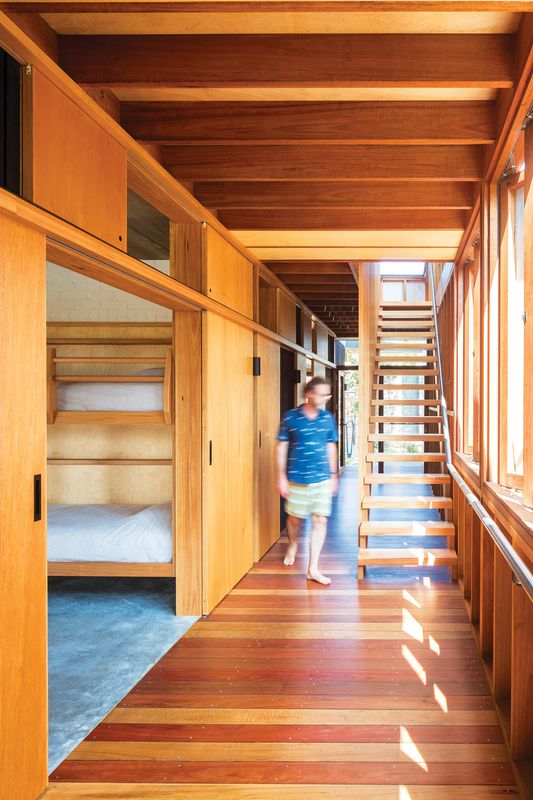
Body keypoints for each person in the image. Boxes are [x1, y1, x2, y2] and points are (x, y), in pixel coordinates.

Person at [276, 376, 339, 585]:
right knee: (294, 519)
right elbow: (281, 446)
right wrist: (281, 476)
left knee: (320, 520)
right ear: (308, 393)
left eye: (327, 394)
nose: (325, 398)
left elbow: (331, 445)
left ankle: (313, 568)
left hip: (321, 478)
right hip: (297, 478)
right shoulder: (290, 418)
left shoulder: (328, 418)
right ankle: (292, 544)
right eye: (321, 394)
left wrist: (333, 475)